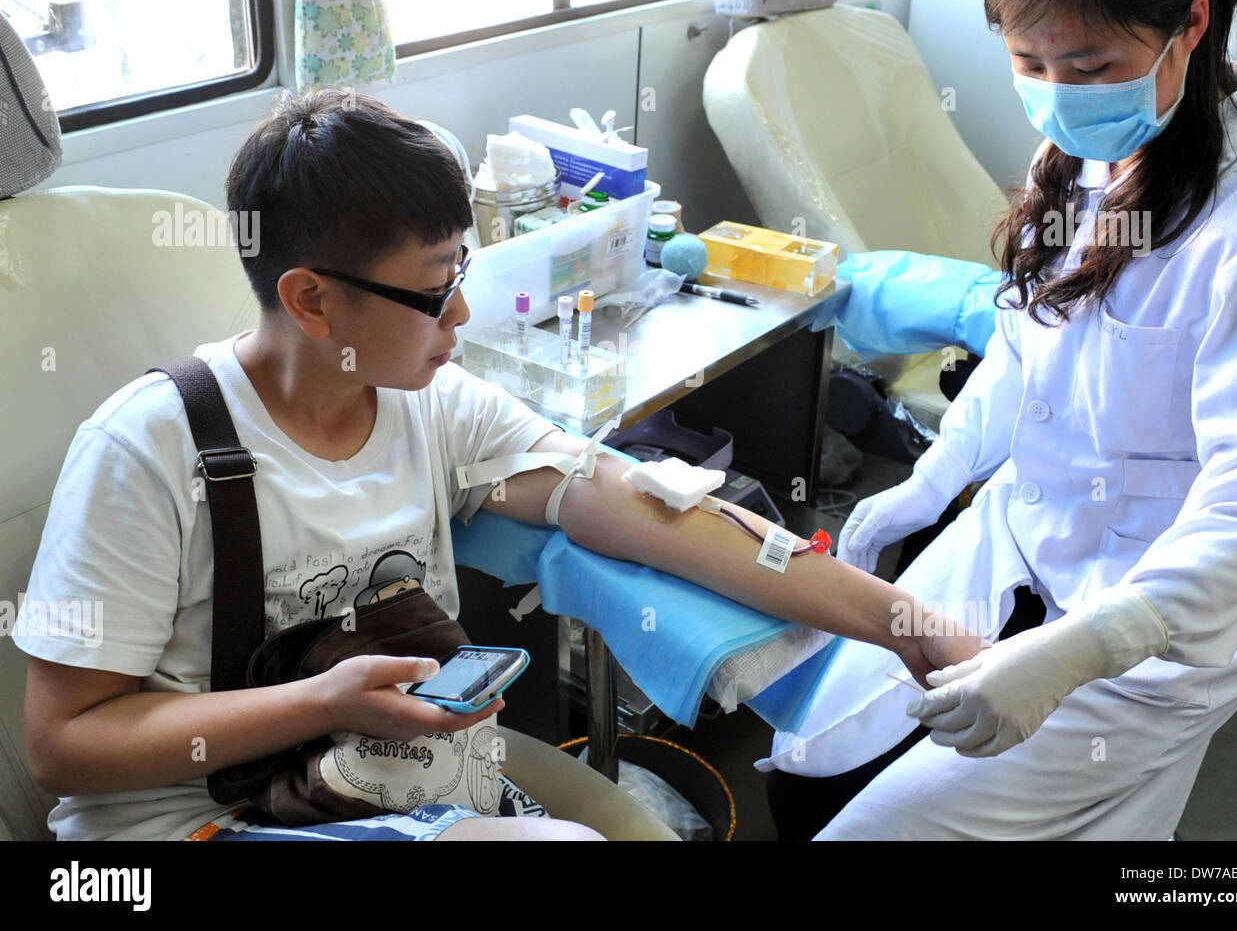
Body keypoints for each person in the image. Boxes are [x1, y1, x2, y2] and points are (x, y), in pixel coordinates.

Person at [15, 88, 985, 841]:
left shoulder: (427, 403)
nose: (463, 319)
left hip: (398, 773)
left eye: (463, 275)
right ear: (312, 302)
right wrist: (321, 701)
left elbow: (660, 511)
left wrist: (911, 624)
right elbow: (63, 748)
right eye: (435, 292)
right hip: (193, 819)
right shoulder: (149, 451)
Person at [764, 0, 1237, 840]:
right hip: (1016, 542)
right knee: (806, 773)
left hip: (1156, 626)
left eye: (1090, 64)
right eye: (1029, 62)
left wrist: (1079, 648)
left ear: (1193, 24)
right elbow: (1023, 349)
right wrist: (926, 488)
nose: (1058, 94)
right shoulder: (1092, 149)